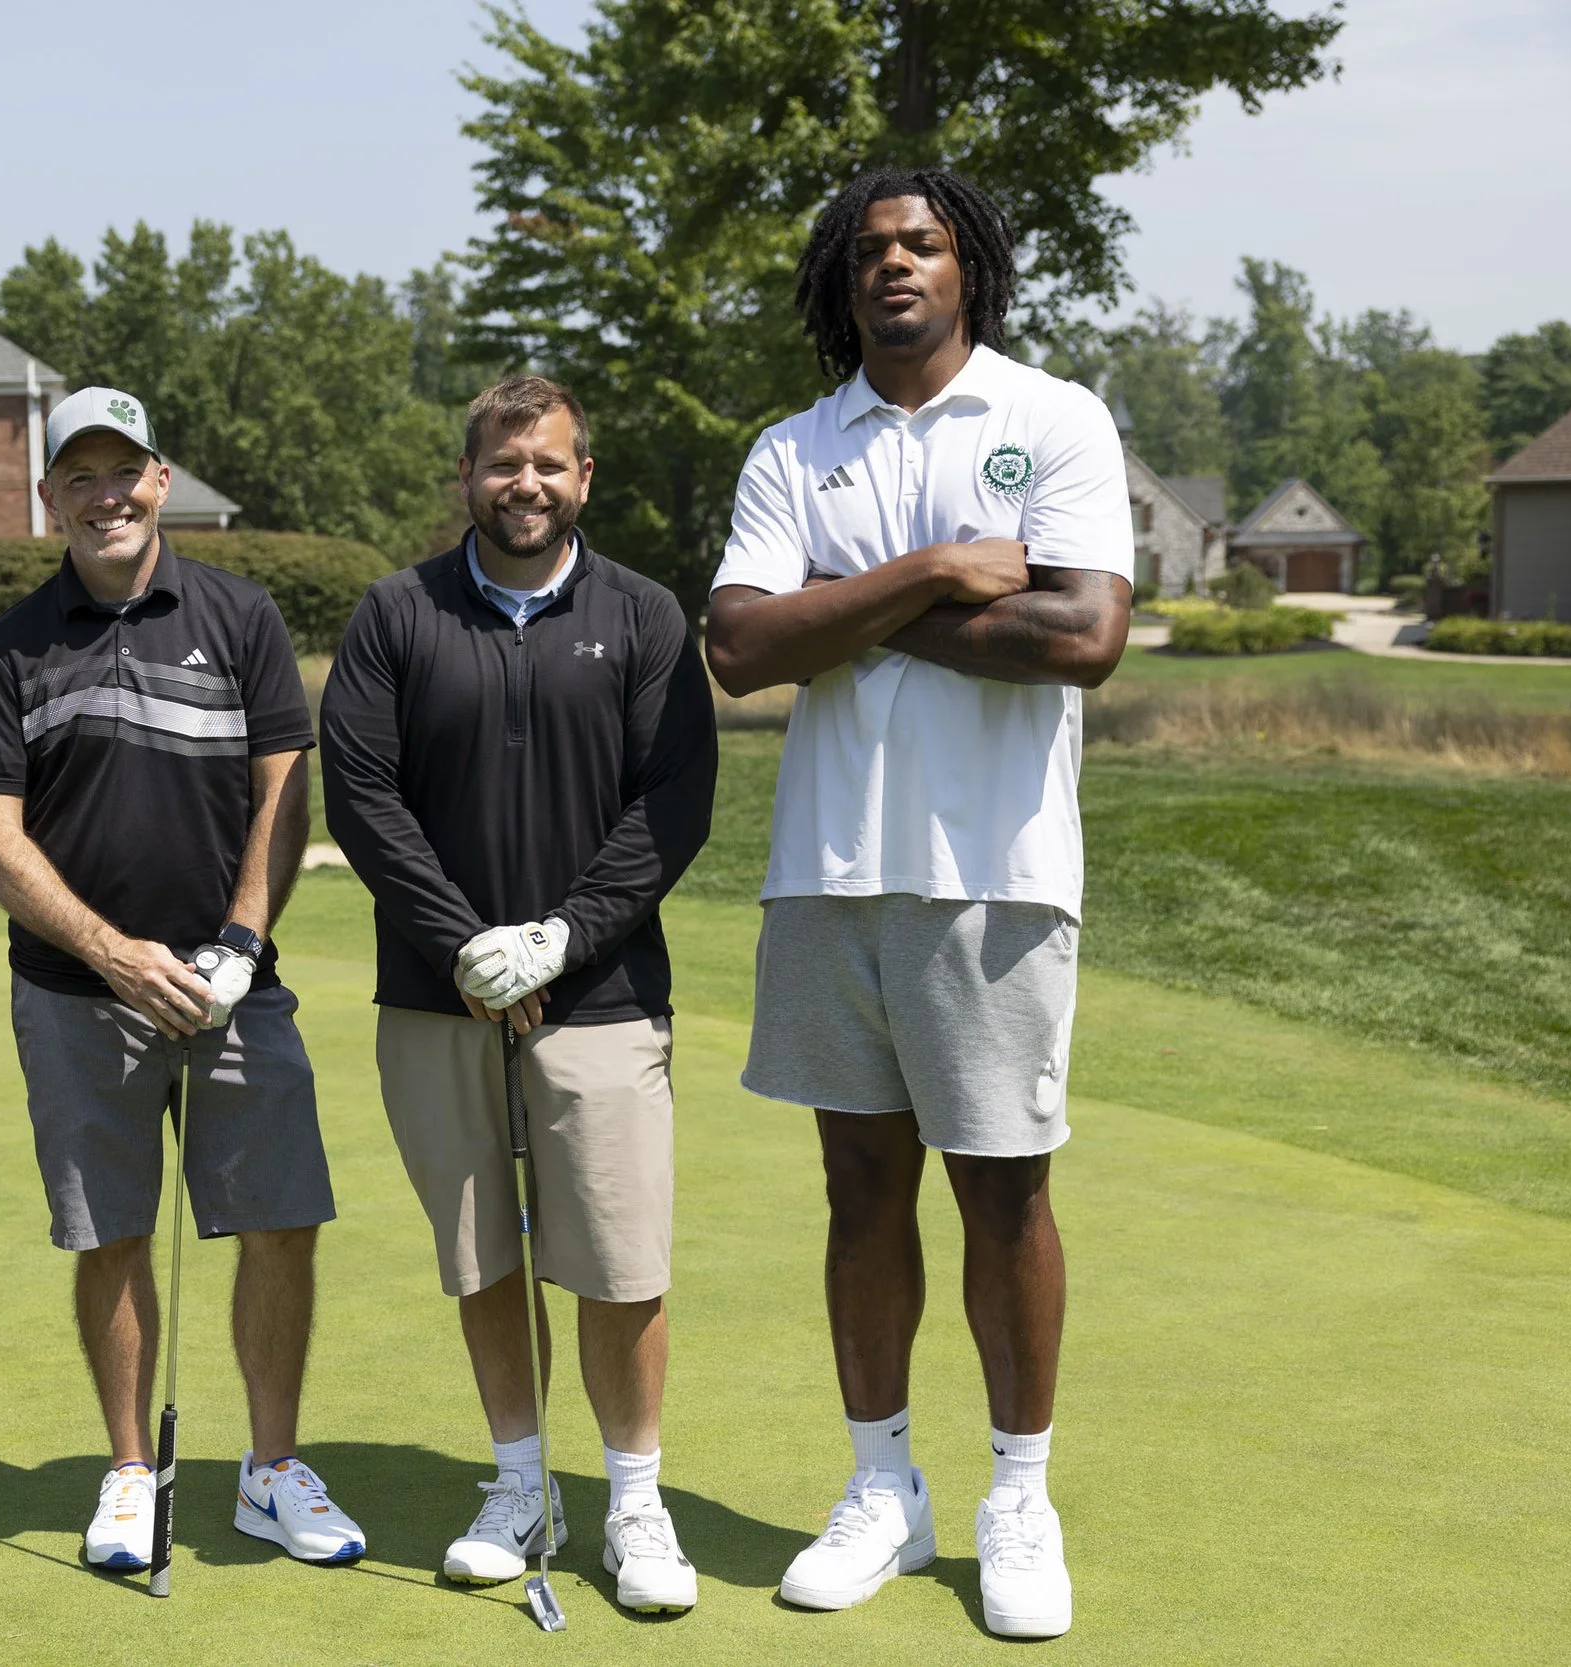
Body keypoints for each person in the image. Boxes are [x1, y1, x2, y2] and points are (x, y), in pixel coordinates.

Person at [703, 168, 1135, 1640]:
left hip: (996, 874)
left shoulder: (1050, 416)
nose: (896, 263)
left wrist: (859, 606)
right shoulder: (794, 446)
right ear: (842, 276)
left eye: (924, 242)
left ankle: (1021, 1490)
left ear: (970, 266)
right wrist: (944, 571)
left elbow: (1082, 633)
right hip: (830, 871)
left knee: (1004, 1186)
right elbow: (745, 646)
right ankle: (883, 1484)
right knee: (859, 1187)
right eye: (872, 247)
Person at [321, 375, 719, 1615]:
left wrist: (557, 935)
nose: (525, 484)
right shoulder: (397, 613)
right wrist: (462, 946)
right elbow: (364, 798)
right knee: (483, 1251)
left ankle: (635, 1497)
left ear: (582, 477)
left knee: (617, 1261)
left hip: (599, 998)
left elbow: (674, 803)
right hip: (438, 1001)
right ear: (467, 476)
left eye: (548, 463)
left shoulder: (645, 616)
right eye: (503, 463)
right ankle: (518, 1481)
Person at [0, 386, 366, 1577]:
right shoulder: (16, 642)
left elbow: (283, 791)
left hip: (235, 982)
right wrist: (110, 952)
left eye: (122, 470)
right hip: (80, 993)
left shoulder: (239, 616)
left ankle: (270, 1469)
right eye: (77, 475)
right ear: (49, 497)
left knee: (282, 1220)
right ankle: (131, 1468)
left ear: (162, 476)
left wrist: (240, 939)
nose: (105, 495)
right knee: (113, 1233)